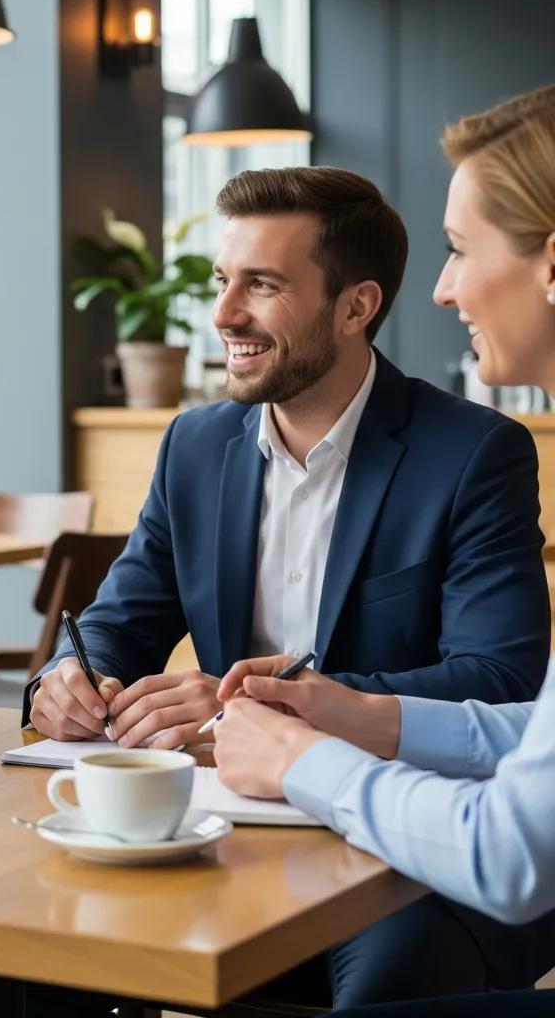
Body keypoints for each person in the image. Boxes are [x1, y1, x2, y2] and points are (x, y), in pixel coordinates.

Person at [23, 165, 553, 1014]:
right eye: (222, 281)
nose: (224, 313)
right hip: (223, 825)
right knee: (43, 937)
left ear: (356, 306)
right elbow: (117, 624)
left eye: (262, 285)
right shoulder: (195, 447)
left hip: (416, 849)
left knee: (389, 985)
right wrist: (67, 680)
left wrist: (262, 709)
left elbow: (500, 684)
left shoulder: (474, 453)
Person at [214, 83, 555, 1016]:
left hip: (446, 867)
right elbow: (540, 735)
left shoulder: (476, 449)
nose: (442, 289)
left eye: (459, 249)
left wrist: (300, 755)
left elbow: (509, 852)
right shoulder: (197, 446)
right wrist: (354, 714)